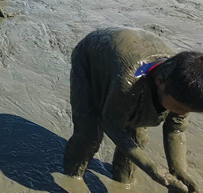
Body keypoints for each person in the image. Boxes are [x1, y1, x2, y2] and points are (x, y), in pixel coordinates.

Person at [63, 27, 203, 193]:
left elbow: (176, 129)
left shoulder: (182, 82)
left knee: (137, 137)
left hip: (135, 64)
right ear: (160, 81)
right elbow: (111, 124)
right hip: (91, 58)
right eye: (178, 108)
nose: (180, 113)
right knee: (89, 134)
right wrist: (151, 168)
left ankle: (123, 179)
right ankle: (72, 176)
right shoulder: (128, 82)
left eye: (186, 111)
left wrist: (179, 171)